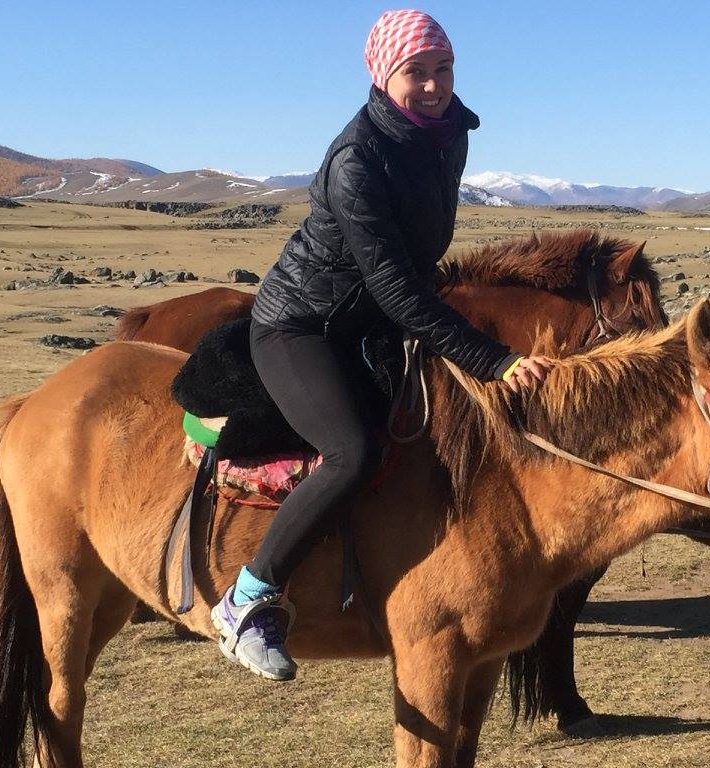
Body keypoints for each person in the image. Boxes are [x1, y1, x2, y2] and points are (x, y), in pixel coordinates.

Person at [213, 9, 551, 680]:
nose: (432, 86)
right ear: (381, 76)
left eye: (443, 70)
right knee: (354, 451)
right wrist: (492, 360)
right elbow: (396, 284)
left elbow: (417, 259)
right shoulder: (356, 158)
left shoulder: (449, 135)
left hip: (371, 321)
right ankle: (248, 598)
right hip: (303, 324)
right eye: (414, 73)